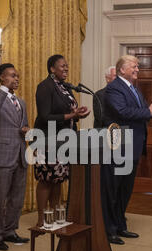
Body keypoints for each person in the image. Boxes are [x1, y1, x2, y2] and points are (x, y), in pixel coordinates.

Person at [101, 55, 152, 245]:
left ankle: (121, 225)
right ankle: (109, 230)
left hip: (133, 146)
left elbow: (140, 113)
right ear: (122, 69)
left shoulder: (134, 89)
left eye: (138, 66)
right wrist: (150, 110)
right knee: (113, 189)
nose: (138, 69)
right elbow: (122, 113)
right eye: (134, 66)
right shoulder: (114, 88)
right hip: (118, 146)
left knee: (125, 190)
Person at [33, 54, 90, 227]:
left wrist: (77, 114)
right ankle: (41, 218)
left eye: (67, 66)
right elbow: (45, 116)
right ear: (52, 68)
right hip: (47, 140)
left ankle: (55, 215)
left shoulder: (65, 87)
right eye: (62, 66)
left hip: (64, 141)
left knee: (58, 178)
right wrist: (72, 114)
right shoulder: (45, 86)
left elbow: (67, 114)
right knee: (46, 178)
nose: (66, 68)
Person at [0, 63, 30, 251]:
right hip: (2, 154)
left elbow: (23, 125)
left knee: (17, 197)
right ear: (2, 77)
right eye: (12, 76)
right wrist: (3, 89)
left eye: (17, 76)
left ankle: (10, 231)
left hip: (20, 153)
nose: (16, 79)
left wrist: (27, 131)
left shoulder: (22, 102)